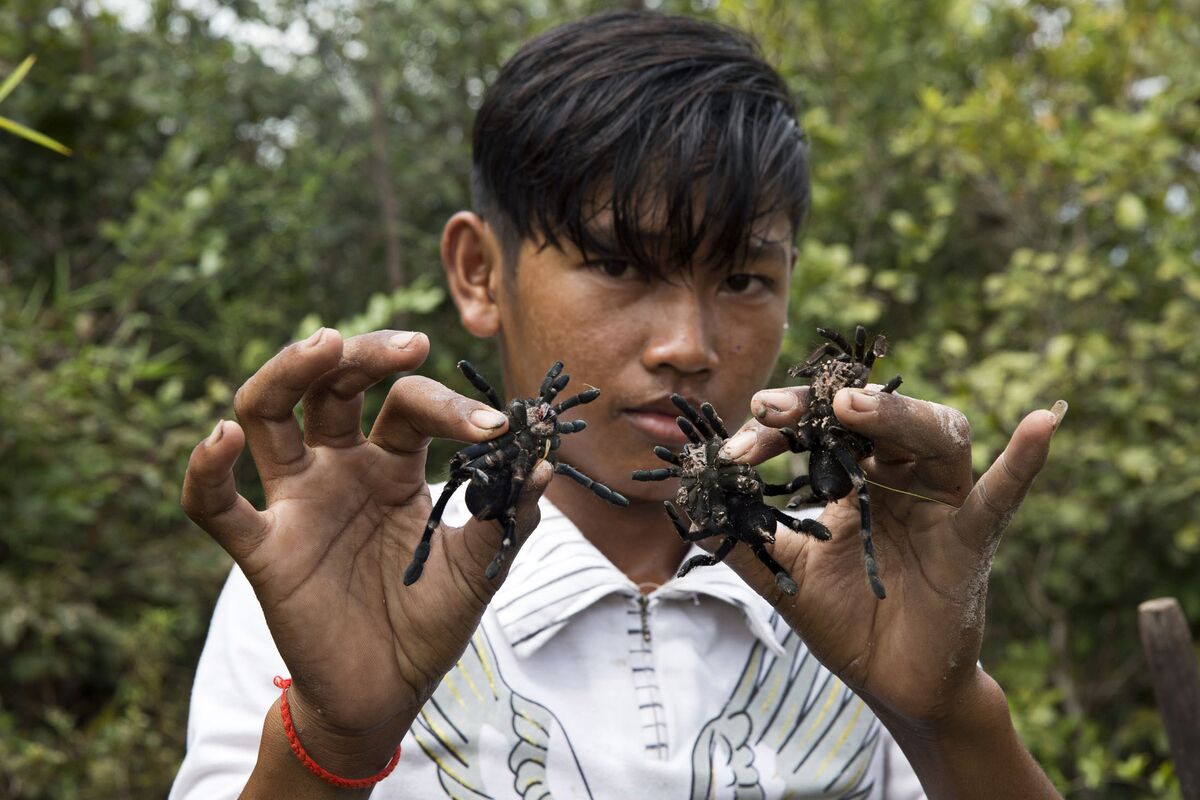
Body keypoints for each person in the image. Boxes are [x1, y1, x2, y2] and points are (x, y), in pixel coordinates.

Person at [172, 11, 1064, 799]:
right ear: (480, 273)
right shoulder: (327, 584)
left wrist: (949, 714)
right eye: (619, 266)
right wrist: (333, 738)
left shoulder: (867, 590)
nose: (687, 343)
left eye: (744, 277)